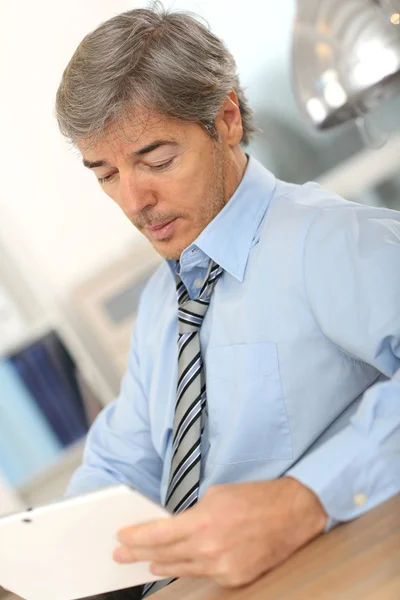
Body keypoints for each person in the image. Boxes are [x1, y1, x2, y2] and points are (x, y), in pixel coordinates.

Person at [55, 3, 400, 598]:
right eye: (106, 175)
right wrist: (40, 558)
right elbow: (122, 466)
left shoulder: (333, 242)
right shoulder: (165, 308)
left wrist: (305, 497)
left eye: (156, 159)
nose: (135, 200)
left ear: (228, 118)